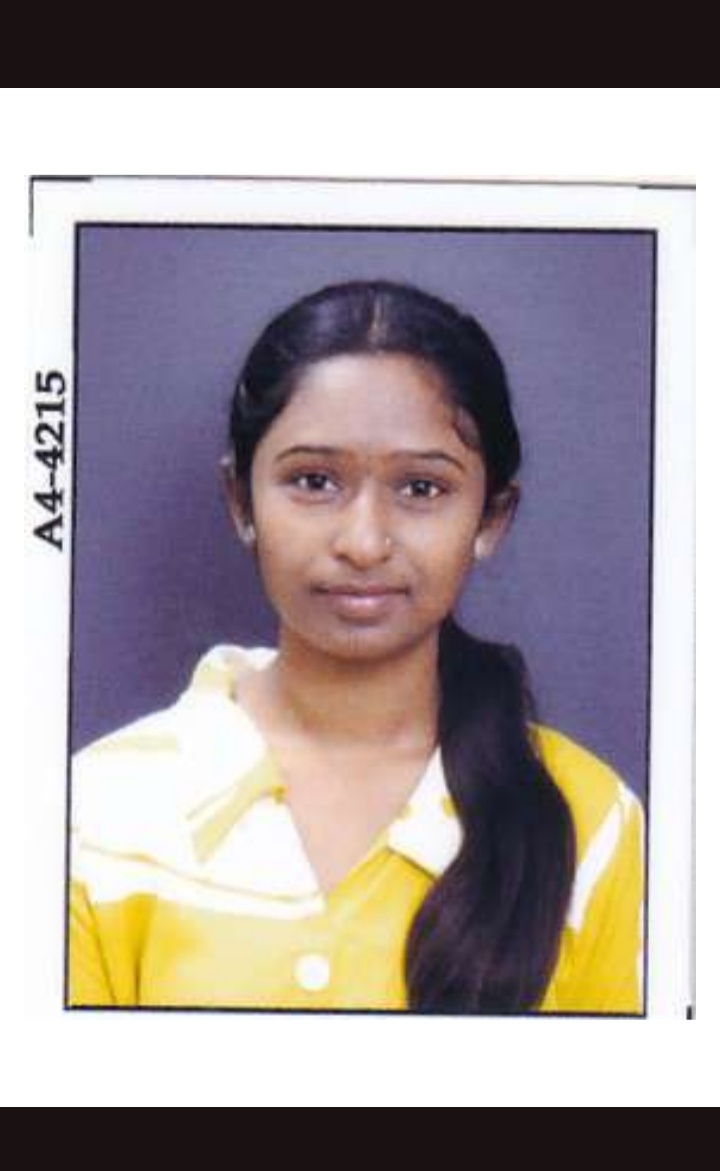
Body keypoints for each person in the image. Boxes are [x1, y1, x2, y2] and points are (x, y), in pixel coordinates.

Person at [68, 279, 644, 1014]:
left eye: (422, 489)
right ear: (242, 502)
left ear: (491, 517)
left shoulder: (590, 819)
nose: (364, 542)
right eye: (314, 481)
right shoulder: (95, 811)